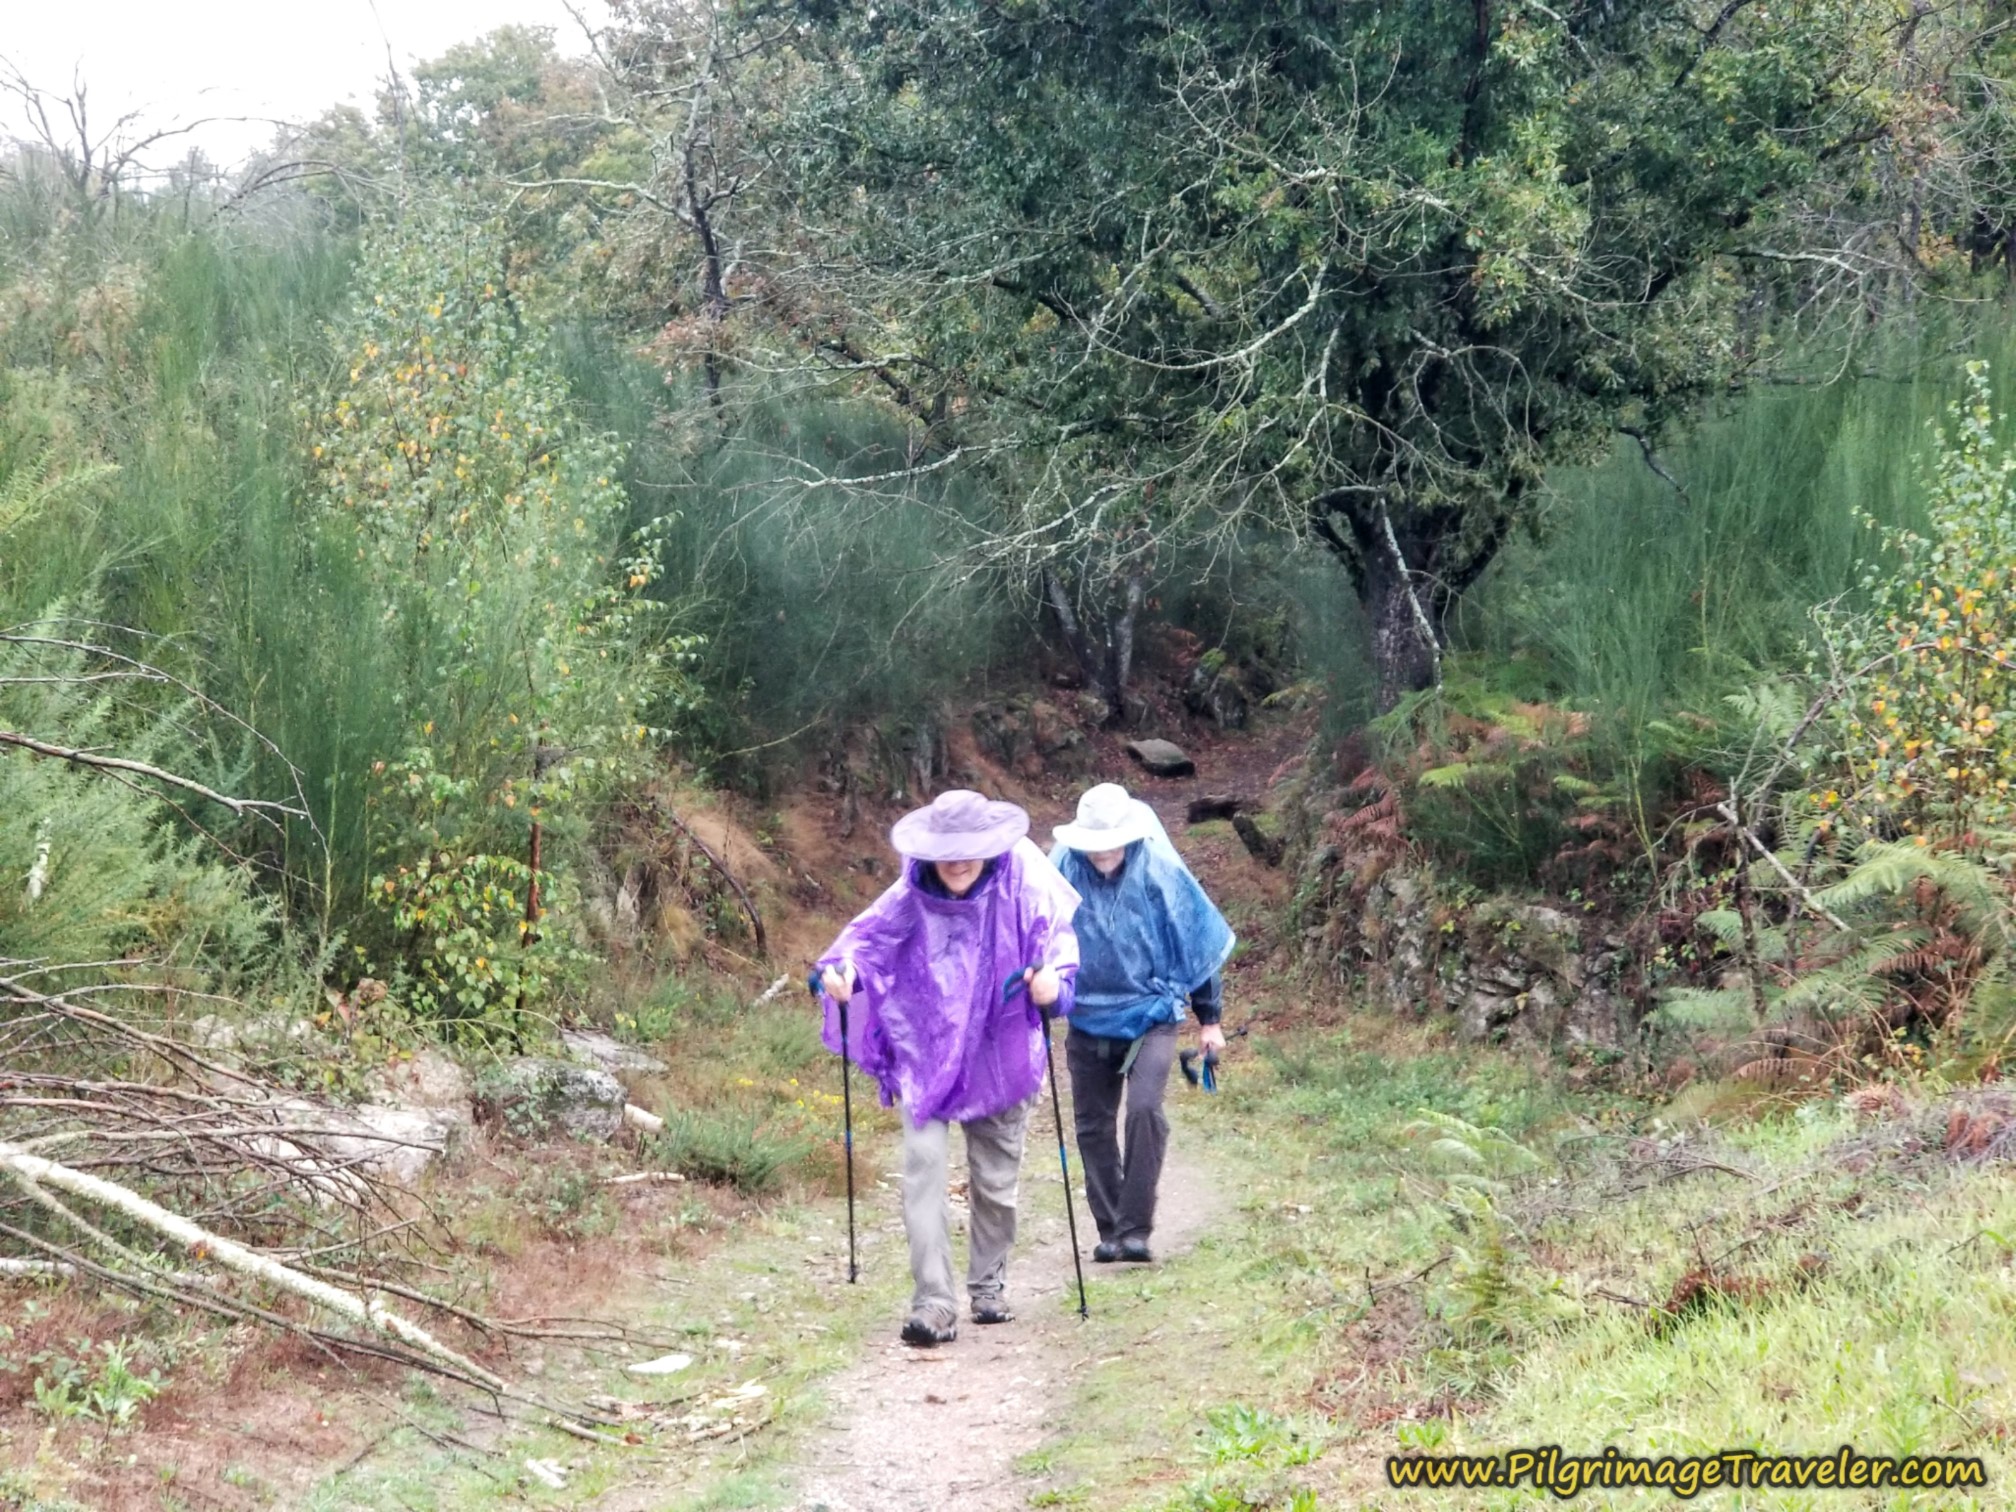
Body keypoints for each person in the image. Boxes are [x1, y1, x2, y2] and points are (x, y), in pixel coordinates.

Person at [816, 789, 1081, 1346]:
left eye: (972, 848)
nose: (959, 861)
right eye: (947, 850)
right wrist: (841, 974)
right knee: (923, 1168)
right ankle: (933, 1302)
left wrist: (1053, 986)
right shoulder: (910, 891)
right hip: (927, 1054)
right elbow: (865, 945)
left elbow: (1057, 958)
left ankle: (988, 1285)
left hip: (999, 1050)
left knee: (995, 1183)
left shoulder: (1023, 886)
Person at [1049, 783, 1233, 1264]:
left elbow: (1198, 946)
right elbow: (1036, 936)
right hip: (1087, 1016)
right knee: (1092, 1125)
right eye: (1094, 843)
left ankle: (1135, 1228)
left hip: (1151, 1012)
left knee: (1144, 1110)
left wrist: (1209, 1020)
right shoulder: (1061, 872)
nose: (1103, 851)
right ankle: (1110, 1228)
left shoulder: (1160, 874)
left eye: (1111, 840)